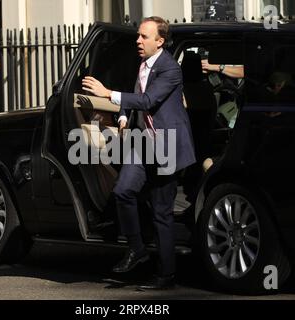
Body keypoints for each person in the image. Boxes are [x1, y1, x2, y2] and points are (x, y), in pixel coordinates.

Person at [82, 16, 196, 290]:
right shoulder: (143, 65)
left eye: (144, 36)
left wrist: (108, 93)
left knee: (161, 213)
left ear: (160, 41)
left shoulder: (170, 69)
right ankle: (137, 249)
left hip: (167, 145)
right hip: (144, 144)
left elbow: (147, 100)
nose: (138, 40)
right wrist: (122, 117)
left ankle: (166, 275)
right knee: (122, 191)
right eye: (138, 36)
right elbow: (135, 97)